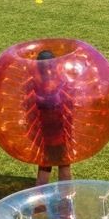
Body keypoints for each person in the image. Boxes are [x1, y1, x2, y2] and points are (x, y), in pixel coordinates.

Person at [33, 49, 74, 187]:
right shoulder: (61, 82)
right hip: (59, 131)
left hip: (44, 132)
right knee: (64, 165)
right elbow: (70, 105)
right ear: (54, 65)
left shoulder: (35, 84)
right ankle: (65, 200)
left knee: (45, 167)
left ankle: (40, 204)